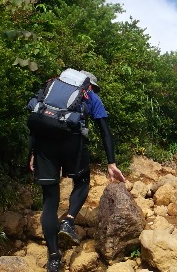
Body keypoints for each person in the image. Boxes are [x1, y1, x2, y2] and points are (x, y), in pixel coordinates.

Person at [29, 70, 126, 272]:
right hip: (72, 142)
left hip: (44, 144)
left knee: (49, 199)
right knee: (82, 181)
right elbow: (105, 131)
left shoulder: (51, 88)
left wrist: (32, 151)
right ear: (89, 84)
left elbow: (36, 119)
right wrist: (111, 162)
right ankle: (69, 221)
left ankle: (54, 258)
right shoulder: (91, 95)